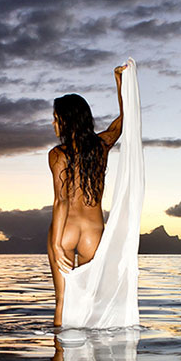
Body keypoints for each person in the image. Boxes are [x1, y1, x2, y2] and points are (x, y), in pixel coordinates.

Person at [48, 64, 126, 327]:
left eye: (56, 117)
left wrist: (58, 244)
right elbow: (121, 123)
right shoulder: (101, 146)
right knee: (91, 302)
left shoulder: (58, 154)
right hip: (94, 233)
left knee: (62, 301)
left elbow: (61, 201)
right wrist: (120, 84)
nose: (53, 122)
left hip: (66, 230)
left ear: (67, 120)